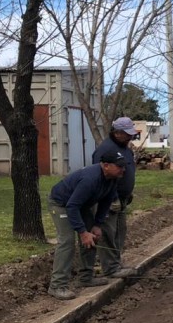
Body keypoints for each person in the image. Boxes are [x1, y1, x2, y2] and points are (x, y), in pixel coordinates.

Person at [47, 152, 126, 299]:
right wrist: (83, 233)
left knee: (93, 235)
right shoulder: (90, 179)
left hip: (81, 205)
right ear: (106, 166)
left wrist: (97, 224)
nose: (123, 170)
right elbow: (71, 206)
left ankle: (85, 277)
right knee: (67, 241)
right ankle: (57, 285)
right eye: (119, 166)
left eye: (124, 166)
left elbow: (105, 202)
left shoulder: (112, 178)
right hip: (61, 204)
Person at [91, 116, 139, 279]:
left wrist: (127, 191)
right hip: (109, 200)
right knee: (108, 233)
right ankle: (110, 268)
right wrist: (111, 198)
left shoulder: (126, 148)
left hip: (122, 198)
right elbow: (100, 175)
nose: (130, 137)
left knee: (119, 232)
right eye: (127, 134)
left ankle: (116, 264)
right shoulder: (106, 150)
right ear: (117, 133)